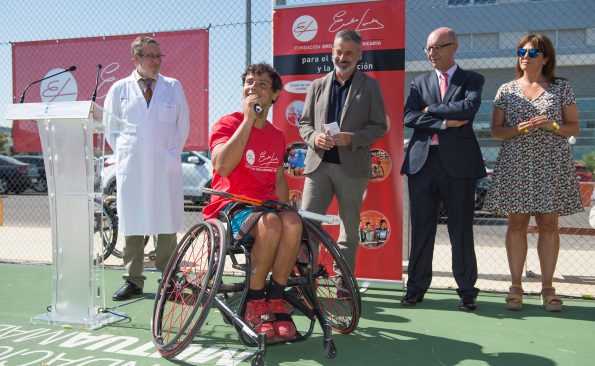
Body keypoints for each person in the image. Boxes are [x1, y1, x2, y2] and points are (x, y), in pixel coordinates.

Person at [201, 63, 302, 341]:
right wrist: (247, 121)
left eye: (261, 85)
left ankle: (277, 298)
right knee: (270, 223)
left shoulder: (277, 136)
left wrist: (284, 208)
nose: (253, 88)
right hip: (231, 206)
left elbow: (279, 179)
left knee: (292, 221)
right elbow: (221, 166)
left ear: (275, 96)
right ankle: (255, 300)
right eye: (249, 82)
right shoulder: (228, 124)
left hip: (265, 207)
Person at [483, 34, 582, 312]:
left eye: (532, 53)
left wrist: (552, 125)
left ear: (546, 58)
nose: (525, 57)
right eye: (521, 52)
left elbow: (574, 127)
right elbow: (495, 131)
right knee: (516, 225)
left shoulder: (562, 88)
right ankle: (516, 286)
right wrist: (519, 128)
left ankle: (548, 288)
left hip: (550, 164)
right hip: (516, 164)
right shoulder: (506, 90)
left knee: (549, 225)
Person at [400, 27, 485, 311]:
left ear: (454, 47)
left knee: (461, 228)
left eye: (437, 47)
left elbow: (468, 107)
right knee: (421, 229)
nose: (431, 54)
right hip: (422, 164)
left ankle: (467, 290)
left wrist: (429, 110)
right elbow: (409, 116)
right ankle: (415, 288)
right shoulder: (418, 82)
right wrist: (443, 122)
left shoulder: (472, 79)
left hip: (459, 165)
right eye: (428, 49)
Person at [104, 36, 189, 301]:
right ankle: (133, 280)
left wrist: (170, 154)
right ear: (136, 58)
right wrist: (131, 153)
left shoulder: (173, 87)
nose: (155, 61)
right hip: (134, 166)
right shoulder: (120, 89)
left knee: (165, 223)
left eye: (158, 56)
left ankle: (169, 278)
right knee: (133, 222)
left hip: (164, 165)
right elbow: (111, 130)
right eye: (150, 56)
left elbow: (182, 126)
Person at [298, 29, 387, 274]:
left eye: (349, 52)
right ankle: (306, 281)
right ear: (332, 53)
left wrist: (352, 139)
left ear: (359, 55)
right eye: (338, 51)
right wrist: (315, 137)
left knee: (348, 229)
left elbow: (379, 125)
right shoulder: (316, 86)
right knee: (308, 226)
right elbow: (304, 123)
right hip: (318, 167)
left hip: (352, 169)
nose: (343, 57)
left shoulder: (370, 87)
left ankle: (343, 283)